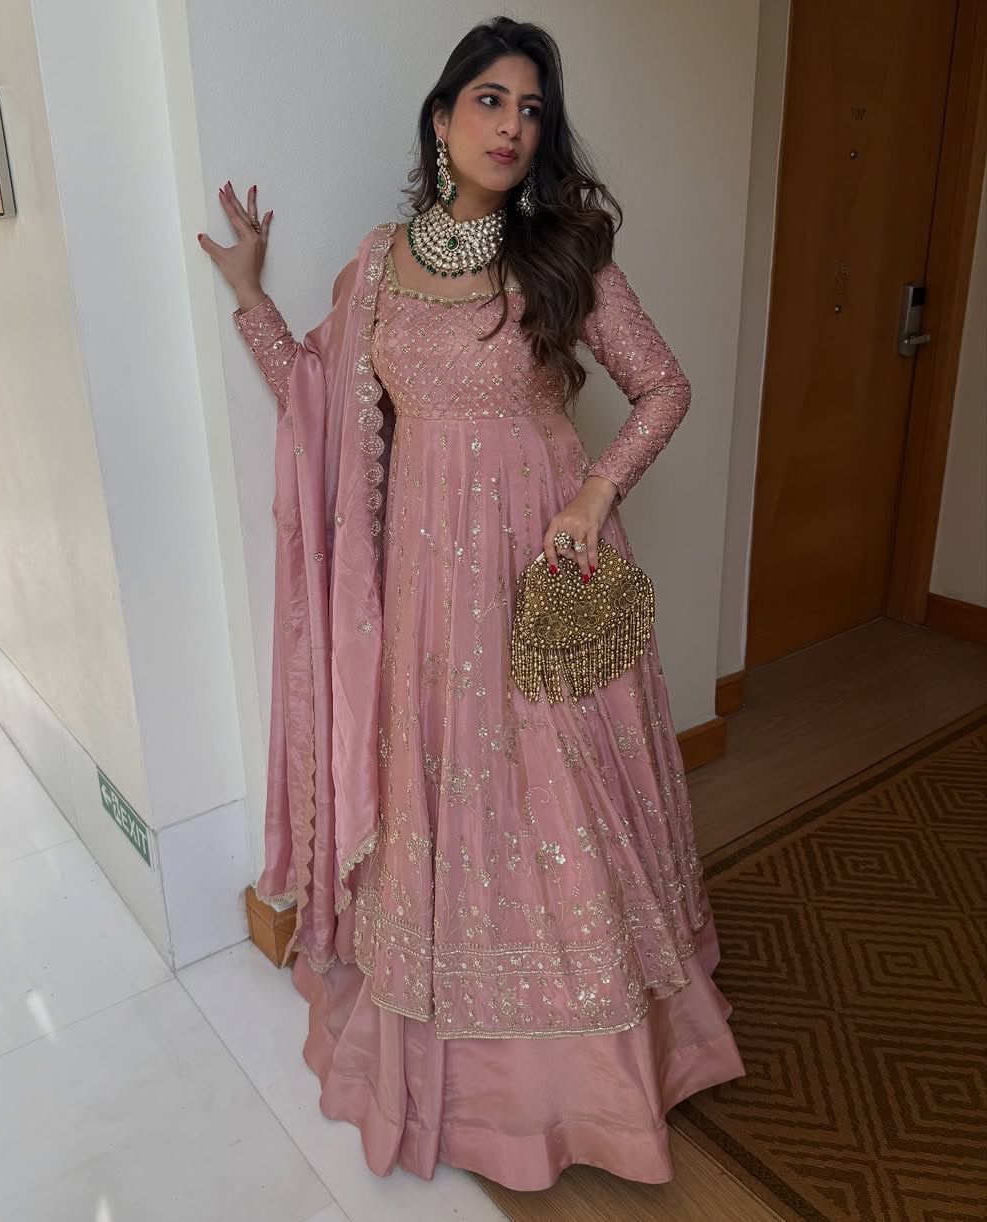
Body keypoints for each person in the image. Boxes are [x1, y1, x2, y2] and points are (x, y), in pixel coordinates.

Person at [198, 14, 745, 1193]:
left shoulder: (563, 256)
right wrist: (250, 298)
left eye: (531, 108)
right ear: (442, 119)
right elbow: (321, 408)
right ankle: (470, 1072)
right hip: (425, 594)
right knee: (452, 805)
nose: (511, 125)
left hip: (546, 567)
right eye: (489, 100)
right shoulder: (379, 266)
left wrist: (594, 493)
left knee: (565, 802)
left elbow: (664, 387)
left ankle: (600, 1072)